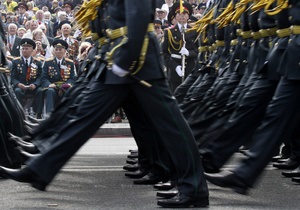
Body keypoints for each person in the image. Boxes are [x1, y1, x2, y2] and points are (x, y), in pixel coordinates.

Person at [0, 0, 209, 208]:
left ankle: (194, 188)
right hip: (118, 55)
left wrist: (126, 60)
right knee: (84, 115)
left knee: (172, 126)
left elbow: (137, 15)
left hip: (138, 60)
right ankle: (39, 168)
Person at [204, 0, 300, 194]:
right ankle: (218, 162)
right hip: (287, 51)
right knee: (265, 111)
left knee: (275, 116)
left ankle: (238, 171)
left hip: (289, 50)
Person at [161, 1, 198, 92]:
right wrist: (175, 66)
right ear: (175, 16)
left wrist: (189, 53)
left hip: (190, 70)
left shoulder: (194, 31)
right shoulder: (169, 32)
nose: (182, 16)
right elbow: (163, 53)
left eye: (185, 13)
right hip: (174, 71)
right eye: (179, 13)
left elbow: (198, 50)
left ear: (188, 16)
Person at [10, 38, 44, 117]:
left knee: (40, 91)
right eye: (23, 49)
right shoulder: (15, 61)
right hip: (21, 86)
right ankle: (19, 113)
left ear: (32, 50)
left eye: (27, 49)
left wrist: (35, 84)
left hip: (33, 86)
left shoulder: (38, 62)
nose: (24, 50)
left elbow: (40, 77)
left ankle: (38, 113)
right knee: (17, 91)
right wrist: (18, 84)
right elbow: (13, 77)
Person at [41, 39, 76, 116]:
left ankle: (66, 115)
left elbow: (73, 77)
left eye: (60, 49)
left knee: (69, 91)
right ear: (53, 51)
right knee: (50, 91)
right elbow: (43, 77)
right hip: (52, 86)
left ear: (64, 51)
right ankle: (49, 115)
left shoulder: (70, 62)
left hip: (65, 86)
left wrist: (67, 84)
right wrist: (49, 84)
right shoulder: (47, 62)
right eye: (56, 49)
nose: (58, 51)